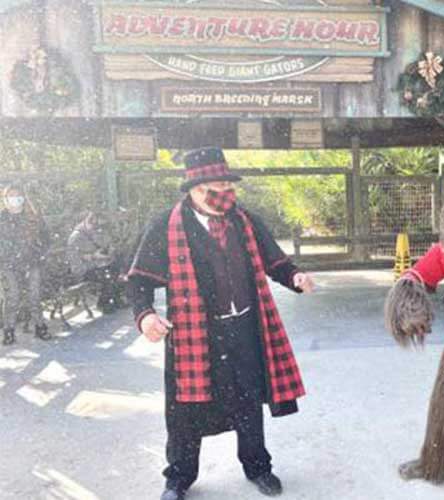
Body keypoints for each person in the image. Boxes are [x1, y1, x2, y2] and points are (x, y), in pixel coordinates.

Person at [126, 148, 314, 500]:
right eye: (212, 190)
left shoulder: (246, 221)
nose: (221, 197)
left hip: (244, 328)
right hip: (193, 334)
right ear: (193, 191)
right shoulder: (164, 226)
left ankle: (258, 467)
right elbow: (137, 280)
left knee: (248, 400)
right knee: (184, 409)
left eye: (226, 188)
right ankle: (179, 478)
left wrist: (296, 277)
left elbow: (277, 262)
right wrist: (146, 314)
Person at [0, 185, 51, 345]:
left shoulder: (32, 217)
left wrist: (38, 253)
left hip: (31, 263)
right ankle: (9, 330)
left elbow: (46, 238)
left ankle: (39, 326)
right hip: (9, 264)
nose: (15, 199)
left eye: (18, 196)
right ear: (5, 199)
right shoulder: (2, 219)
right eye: (11, 196)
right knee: (12, 297)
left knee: (34, 296)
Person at [67, 211, 123, 313]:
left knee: (116, 267)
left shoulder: (93, 231)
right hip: (83, 270)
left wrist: (109, 248)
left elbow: (104, 243)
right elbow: (75, 258)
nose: (95, 228)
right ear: (86, 222)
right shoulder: (76, 236)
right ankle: (103, 303)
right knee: (107, 275)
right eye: (92, 224)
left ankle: (115, 299)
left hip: (95, 266)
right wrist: (93, 256)